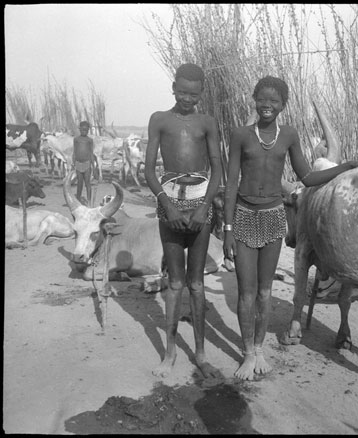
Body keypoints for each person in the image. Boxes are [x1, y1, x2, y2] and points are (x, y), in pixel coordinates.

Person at [223, 76, 358, 380]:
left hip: (274, 217)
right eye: (262, 99)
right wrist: (227, 228)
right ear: (254, 99)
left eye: (274, 101)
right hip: (245, 216)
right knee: (246, 293)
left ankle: (259, 350)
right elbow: (232, 182)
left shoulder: (288, 135)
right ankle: (248, 354)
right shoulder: (239, 135)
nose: (267, 106)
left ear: (283, 106)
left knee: (264, 291)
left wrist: (343, 167)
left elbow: (306, 176)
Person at [144, 63, 222, 378]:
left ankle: (201, 353)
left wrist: (204, 207)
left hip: (201, 198)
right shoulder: (159, 120)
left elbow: (217, 169)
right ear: (173, 88)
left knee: (197, 283)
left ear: (201, 93)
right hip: (170, 198)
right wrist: (168, 205)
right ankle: (171, 351)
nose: (187, 98)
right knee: (175, 283)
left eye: (194, 93)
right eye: (182, 92)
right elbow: (149, 170)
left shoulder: (207, 122)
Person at [72, 121, 97, 205]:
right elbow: (74, 152)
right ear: (79, 129)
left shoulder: (89, 140)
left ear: (88, 130)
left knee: (87, 183)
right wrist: (73, 164)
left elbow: (91, 153)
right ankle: (78, 201)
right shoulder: (76, 140)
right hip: (78, 164)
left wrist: (94, 167)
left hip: (87, 164)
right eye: (82, 130)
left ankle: (89, 202)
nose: (84, 131)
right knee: (79, 184)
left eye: (86, 130)